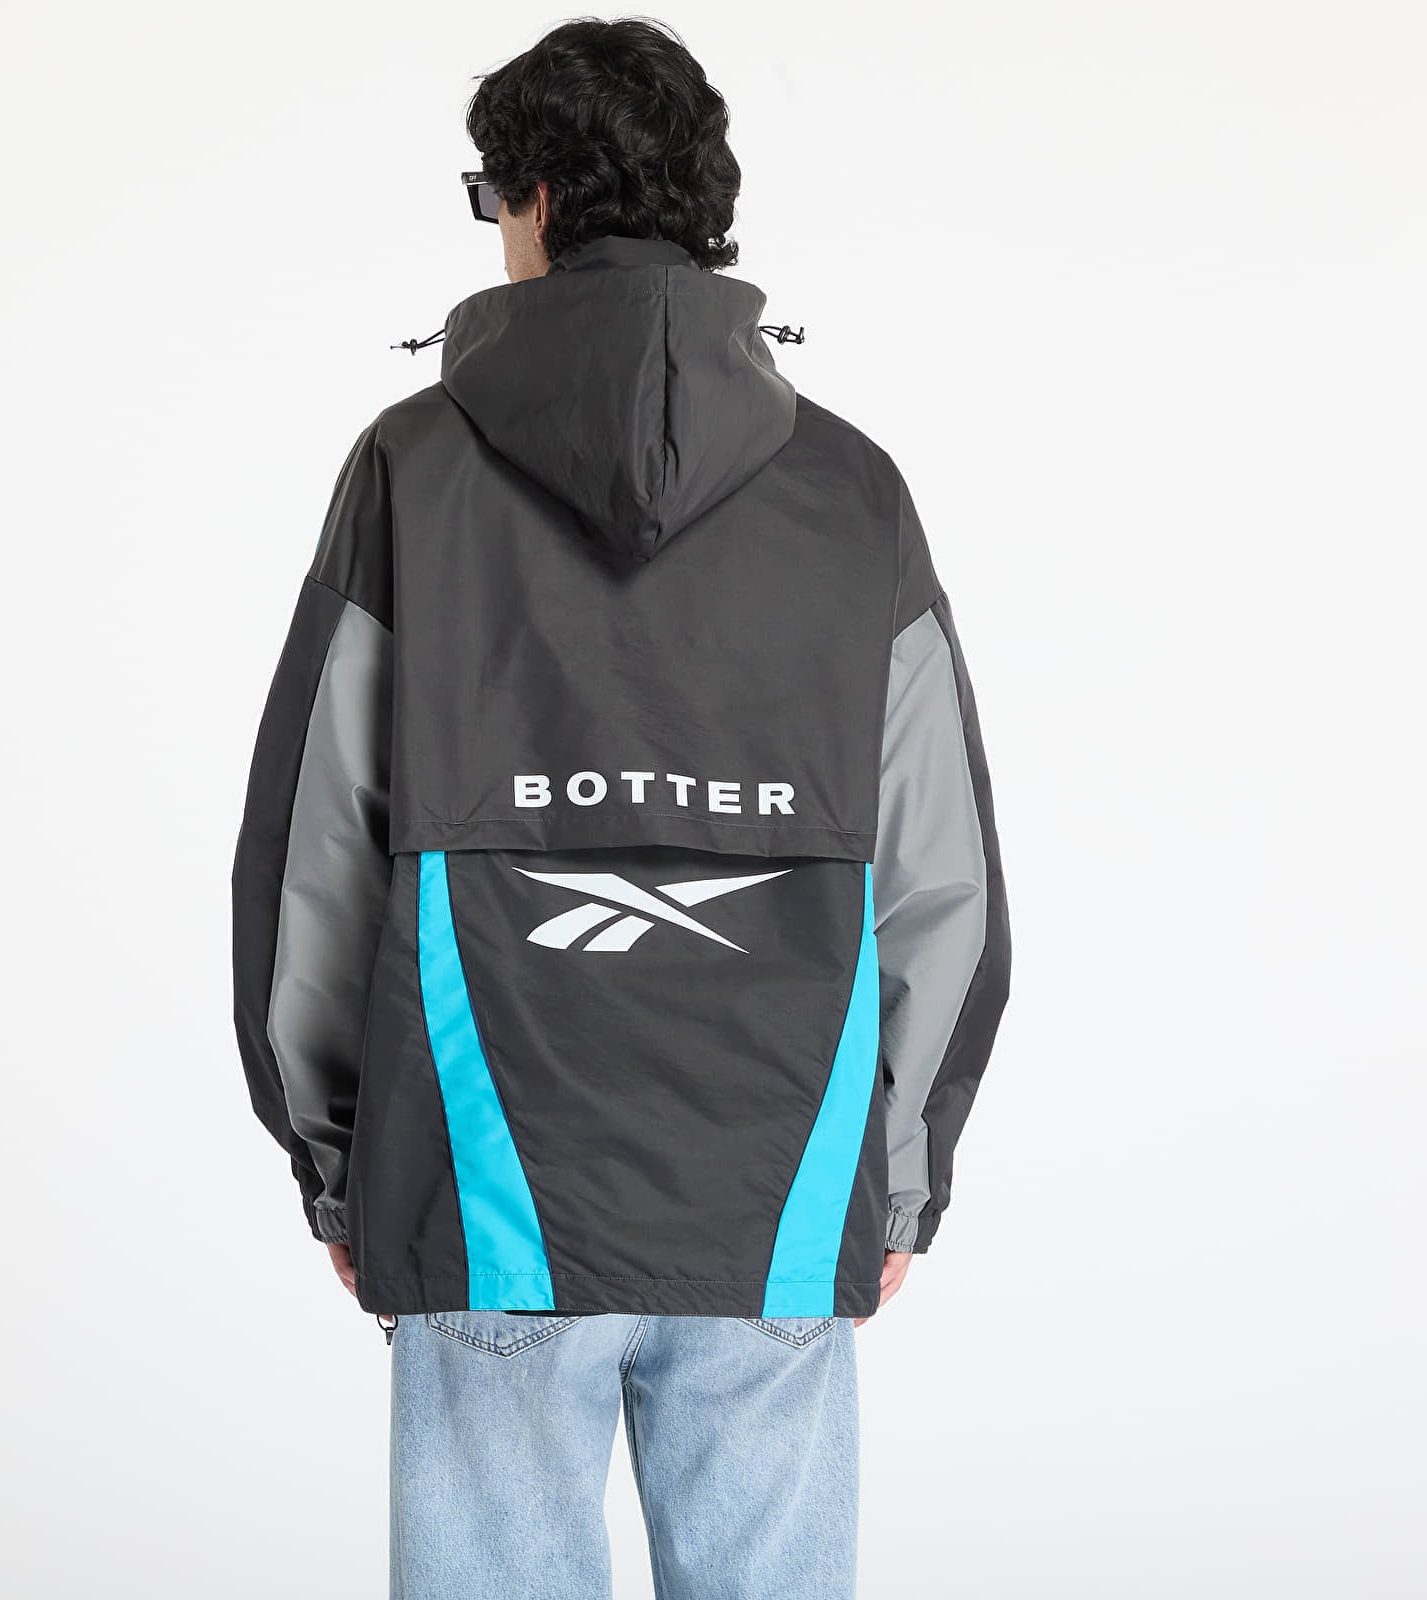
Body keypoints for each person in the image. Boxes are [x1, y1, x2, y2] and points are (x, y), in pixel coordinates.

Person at [231, 17, 1010, 1598]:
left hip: (481, 1187)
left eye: (489, 197)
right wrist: (898, 1173)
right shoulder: (853, 494)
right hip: (776, 1187)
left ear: (531, 196)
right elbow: (942, 876)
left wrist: (340, 1162)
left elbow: (316, 856)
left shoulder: (412, 471)